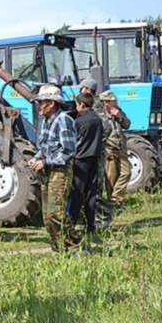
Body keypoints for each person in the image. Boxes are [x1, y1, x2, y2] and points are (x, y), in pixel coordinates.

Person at [27, 84, 81, 252]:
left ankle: (76, 245)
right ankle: (59, 250)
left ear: (51, 104)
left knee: (56, 213)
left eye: (40, 102)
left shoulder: (64, 120)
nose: (38, 106)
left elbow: (68, 151)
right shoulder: (45, 122)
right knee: (47, 215)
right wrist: (36, 158)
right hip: (47, 171)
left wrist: (45, 162)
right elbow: (42, 147)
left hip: (60, 171)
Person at [66, 92, 103, 235]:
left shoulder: (79, 121)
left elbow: (75, 140)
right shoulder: (97, 119)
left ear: (82, 104)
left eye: (77, 104)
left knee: (76, 192)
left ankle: (71, 222)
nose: (76, 107)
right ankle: (90, 225)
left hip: (80, 160)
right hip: (94, 159)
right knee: (91, 193)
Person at [100, 90, 131, 207]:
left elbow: (127, 125)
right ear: (105, 103)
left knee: (126, 173)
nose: (115, 103)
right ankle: (113, 202)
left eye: (115, 101)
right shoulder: (100, 115)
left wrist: (120, 117)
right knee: (110, 176)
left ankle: (115, 197)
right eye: (113, 102)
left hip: (121, 146)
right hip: (109, 148)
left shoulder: (119, 112)